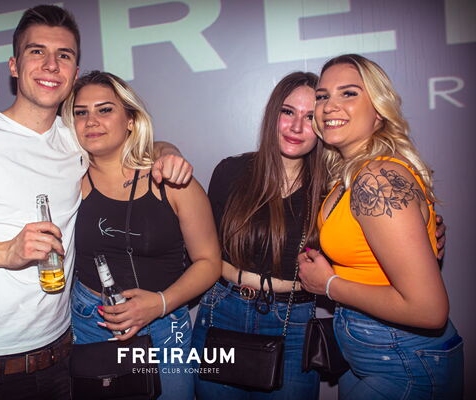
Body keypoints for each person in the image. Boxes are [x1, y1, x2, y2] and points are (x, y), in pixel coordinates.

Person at [0, 5, 191, 400]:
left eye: (63, 55)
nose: (50, 65)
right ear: (14, 66)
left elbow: (132, 144)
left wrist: (167, 151)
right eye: (37, 52)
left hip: (65, 352)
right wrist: (2, 252)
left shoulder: (75, 139)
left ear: (74, 74)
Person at [298, 54, 464, 399]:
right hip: (372, 352)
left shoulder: (377, 178)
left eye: (348, 93)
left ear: (378, 110)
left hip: (403, 358)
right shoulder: (350, 174)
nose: (329, 106)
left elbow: (429, 310)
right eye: (323, 96)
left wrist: (328, 285)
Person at [61, 70, 221, 400]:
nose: (91, 121)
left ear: (131, 120)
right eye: (81, 112)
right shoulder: (66, 183)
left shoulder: (172, 181)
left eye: (105, 109)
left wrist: (160, 304)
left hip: (166, 326)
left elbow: (209, 262)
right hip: (92, 322)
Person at [191, 71, 325, 400]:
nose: (296, 127)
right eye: (288, 112)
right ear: (272, 114)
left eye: (310, 117)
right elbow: (199, 249)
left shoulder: (331, 190)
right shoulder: (231, 171)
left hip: (292, 320)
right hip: (221, 310)